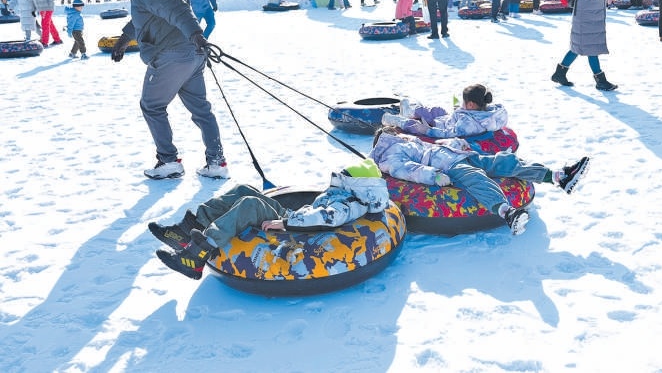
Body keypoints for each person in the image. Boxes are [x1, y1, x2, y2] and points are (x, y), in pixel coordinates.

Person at [107, 0, 227, 181]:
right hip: (190, 54)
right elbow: (147, 14)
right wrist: (124, 39)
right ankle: (216, 162)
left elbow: (175, 8)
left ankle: (169, 161)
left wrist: (196, 33)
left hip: (172, 54)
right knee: (201, 109)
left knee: (151, 105)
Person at [149, 159, 389, 279]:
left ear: (358, 185)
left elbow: (323, 219)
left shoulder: (348, 205)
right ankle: (189, 229)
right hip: (295, 217)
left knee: (250, 205)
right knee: (244, 190)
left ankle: (196, 256)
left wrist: (284, 223)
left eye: (346, 177)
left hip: (296, 231)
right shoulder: (347, 196)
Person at [371, 126, 591, 235]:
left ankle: (558, 177)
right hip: (450, 167)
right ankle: (507, 212)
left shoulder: (410, 142)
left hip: (461, 156)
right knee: (477, 179)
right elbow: (405, 170)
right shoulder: (390, 152)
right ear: (388, 136)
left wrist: (456, 144)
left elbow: (436, 148)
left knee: (506, 161)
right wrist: (434, 176)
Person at [382, 83, 508, 138]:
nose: (462, 103)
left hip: (442, 127)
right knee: (438, 110)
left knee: (416, 125)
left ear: (470, 104)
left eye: (463, 101)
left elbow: (450, 134)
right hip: (449, 120)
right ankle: (410, 112)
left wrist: (428, 130)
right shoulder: (490, 112)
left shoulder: (469, 124)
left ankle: (397, 120)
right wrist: (457, 110)